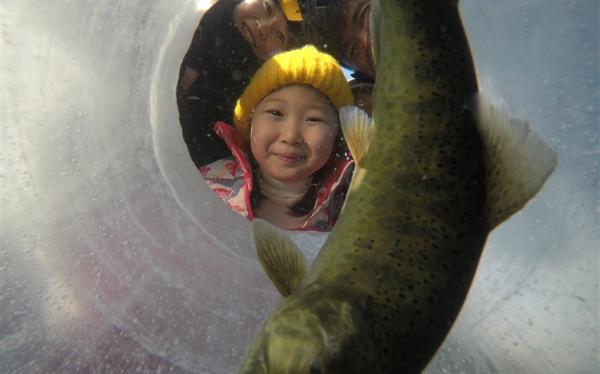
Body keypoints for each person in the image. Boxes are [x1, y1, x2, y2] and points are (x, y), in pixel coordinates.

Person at [199, 45, 355, 231]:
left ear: (338, 134)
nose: (290, 136)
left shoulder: (354, 206)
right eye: (276, 113)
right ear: (250, 122)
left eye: (314, 119)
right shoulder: (204, 186)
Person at [177, 0, 304, 167]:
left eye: (280, 36)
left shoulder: (232, 108)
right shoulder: (184, 12)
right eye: (267, 8)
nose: (264, 27)